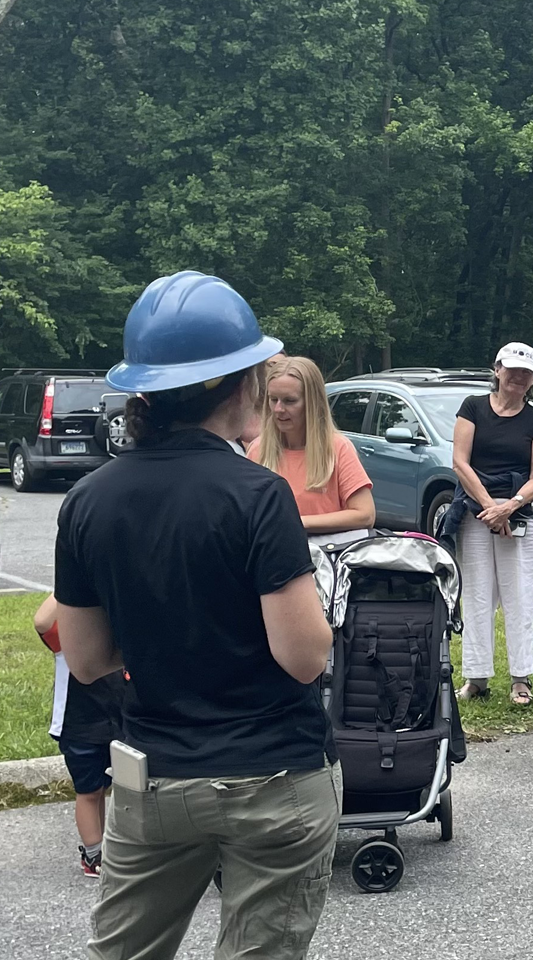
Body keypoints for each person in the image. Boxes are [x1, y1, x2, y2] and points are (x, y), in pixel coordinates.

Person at [55, 270, 339, 959]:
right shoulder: (259, 494)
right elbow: (304, 656)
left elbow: (87, 658)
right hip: (275, 777)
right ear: (239, 384)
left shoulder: (88, 500)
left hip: (156, 782)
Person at [451, 342, 533, 707]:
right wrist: (489, 508)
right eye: (512, 370)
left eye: (526, 373)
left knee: (520, 596)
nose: (517, 378)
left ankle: (521, 677)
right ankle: (476, 676)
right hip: (476, 510)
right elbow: (460, 463)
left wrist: (510, 507)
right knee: (477, 594)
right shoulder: (473, 408)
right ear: (497, 370)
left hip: (520, 511)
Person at [35, 593, 125, 878]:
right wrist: (73, 579)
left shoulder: (122, 627)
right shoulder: (67, 638)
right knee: (89, 791)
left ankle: (116, 848)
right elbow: (41, 620)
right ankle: (94, 853)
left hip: (123, 722)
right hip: (80, 724)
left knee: (120, 789)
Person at [249, 356, 375, 543]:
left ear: (312, 403)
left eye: (289, 401)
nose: (278, 409)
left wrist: (297, 522)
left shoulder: (337, 448)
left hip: (327, 561)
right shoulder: (257, 449)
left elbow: (365, 515)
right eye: (273, 399)